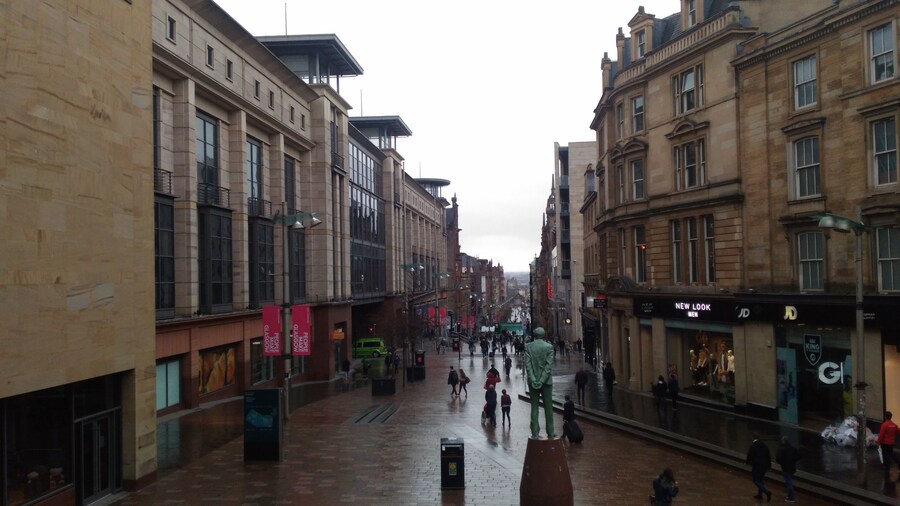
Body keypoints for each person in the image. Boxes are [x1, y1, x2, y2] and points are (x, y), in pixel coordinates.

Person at [525, 327, 556, 438]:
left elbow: (528, 366)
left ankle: (535, 432)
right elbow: (548, 366)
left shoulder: (528, 347)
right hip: (546, 382)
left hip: (533, 381)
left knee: (534, 407)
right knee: (548, 406)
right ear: (543, 335)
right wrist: (542, 380)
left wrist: (534, 379)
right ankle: (550, 431)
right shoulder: (549, 347)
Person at [745, 433, 772, 502]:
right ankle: (760, 495)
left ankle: (766, 491)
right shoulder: (765, 446)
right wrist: (769, 466)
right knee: (760, 480)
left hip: (757, 465)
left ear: (753, 438)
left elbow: (749, 455)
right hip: (765, 465)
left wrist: (747, 462)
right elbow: (768, 456)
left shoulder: (753, 446)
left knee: (755, 480)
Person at [776, 436, 801, 503]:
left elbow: (778, 458)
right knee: (789, 480)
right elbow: (798, 456)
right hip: (792, 467)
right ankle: (789, 495)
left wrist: (781, 462)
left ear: (783, 441)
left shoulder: (781, 449)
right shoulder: (793, 448)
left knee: (788, 482)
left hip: (785, 467)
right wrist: (793, 460)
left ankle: (791, 497)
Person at [878, 411, 899, 476]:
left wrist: (879, 442)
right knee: (891, 454)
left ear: (885, 417)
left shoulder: (884, 425)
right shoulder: (894, 425)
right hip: (891, 442)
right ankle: (897, 463)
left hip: (885, 442)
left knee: (885, 454)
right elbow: (898, 432)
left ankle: (886, 466)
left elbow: (881, 435)